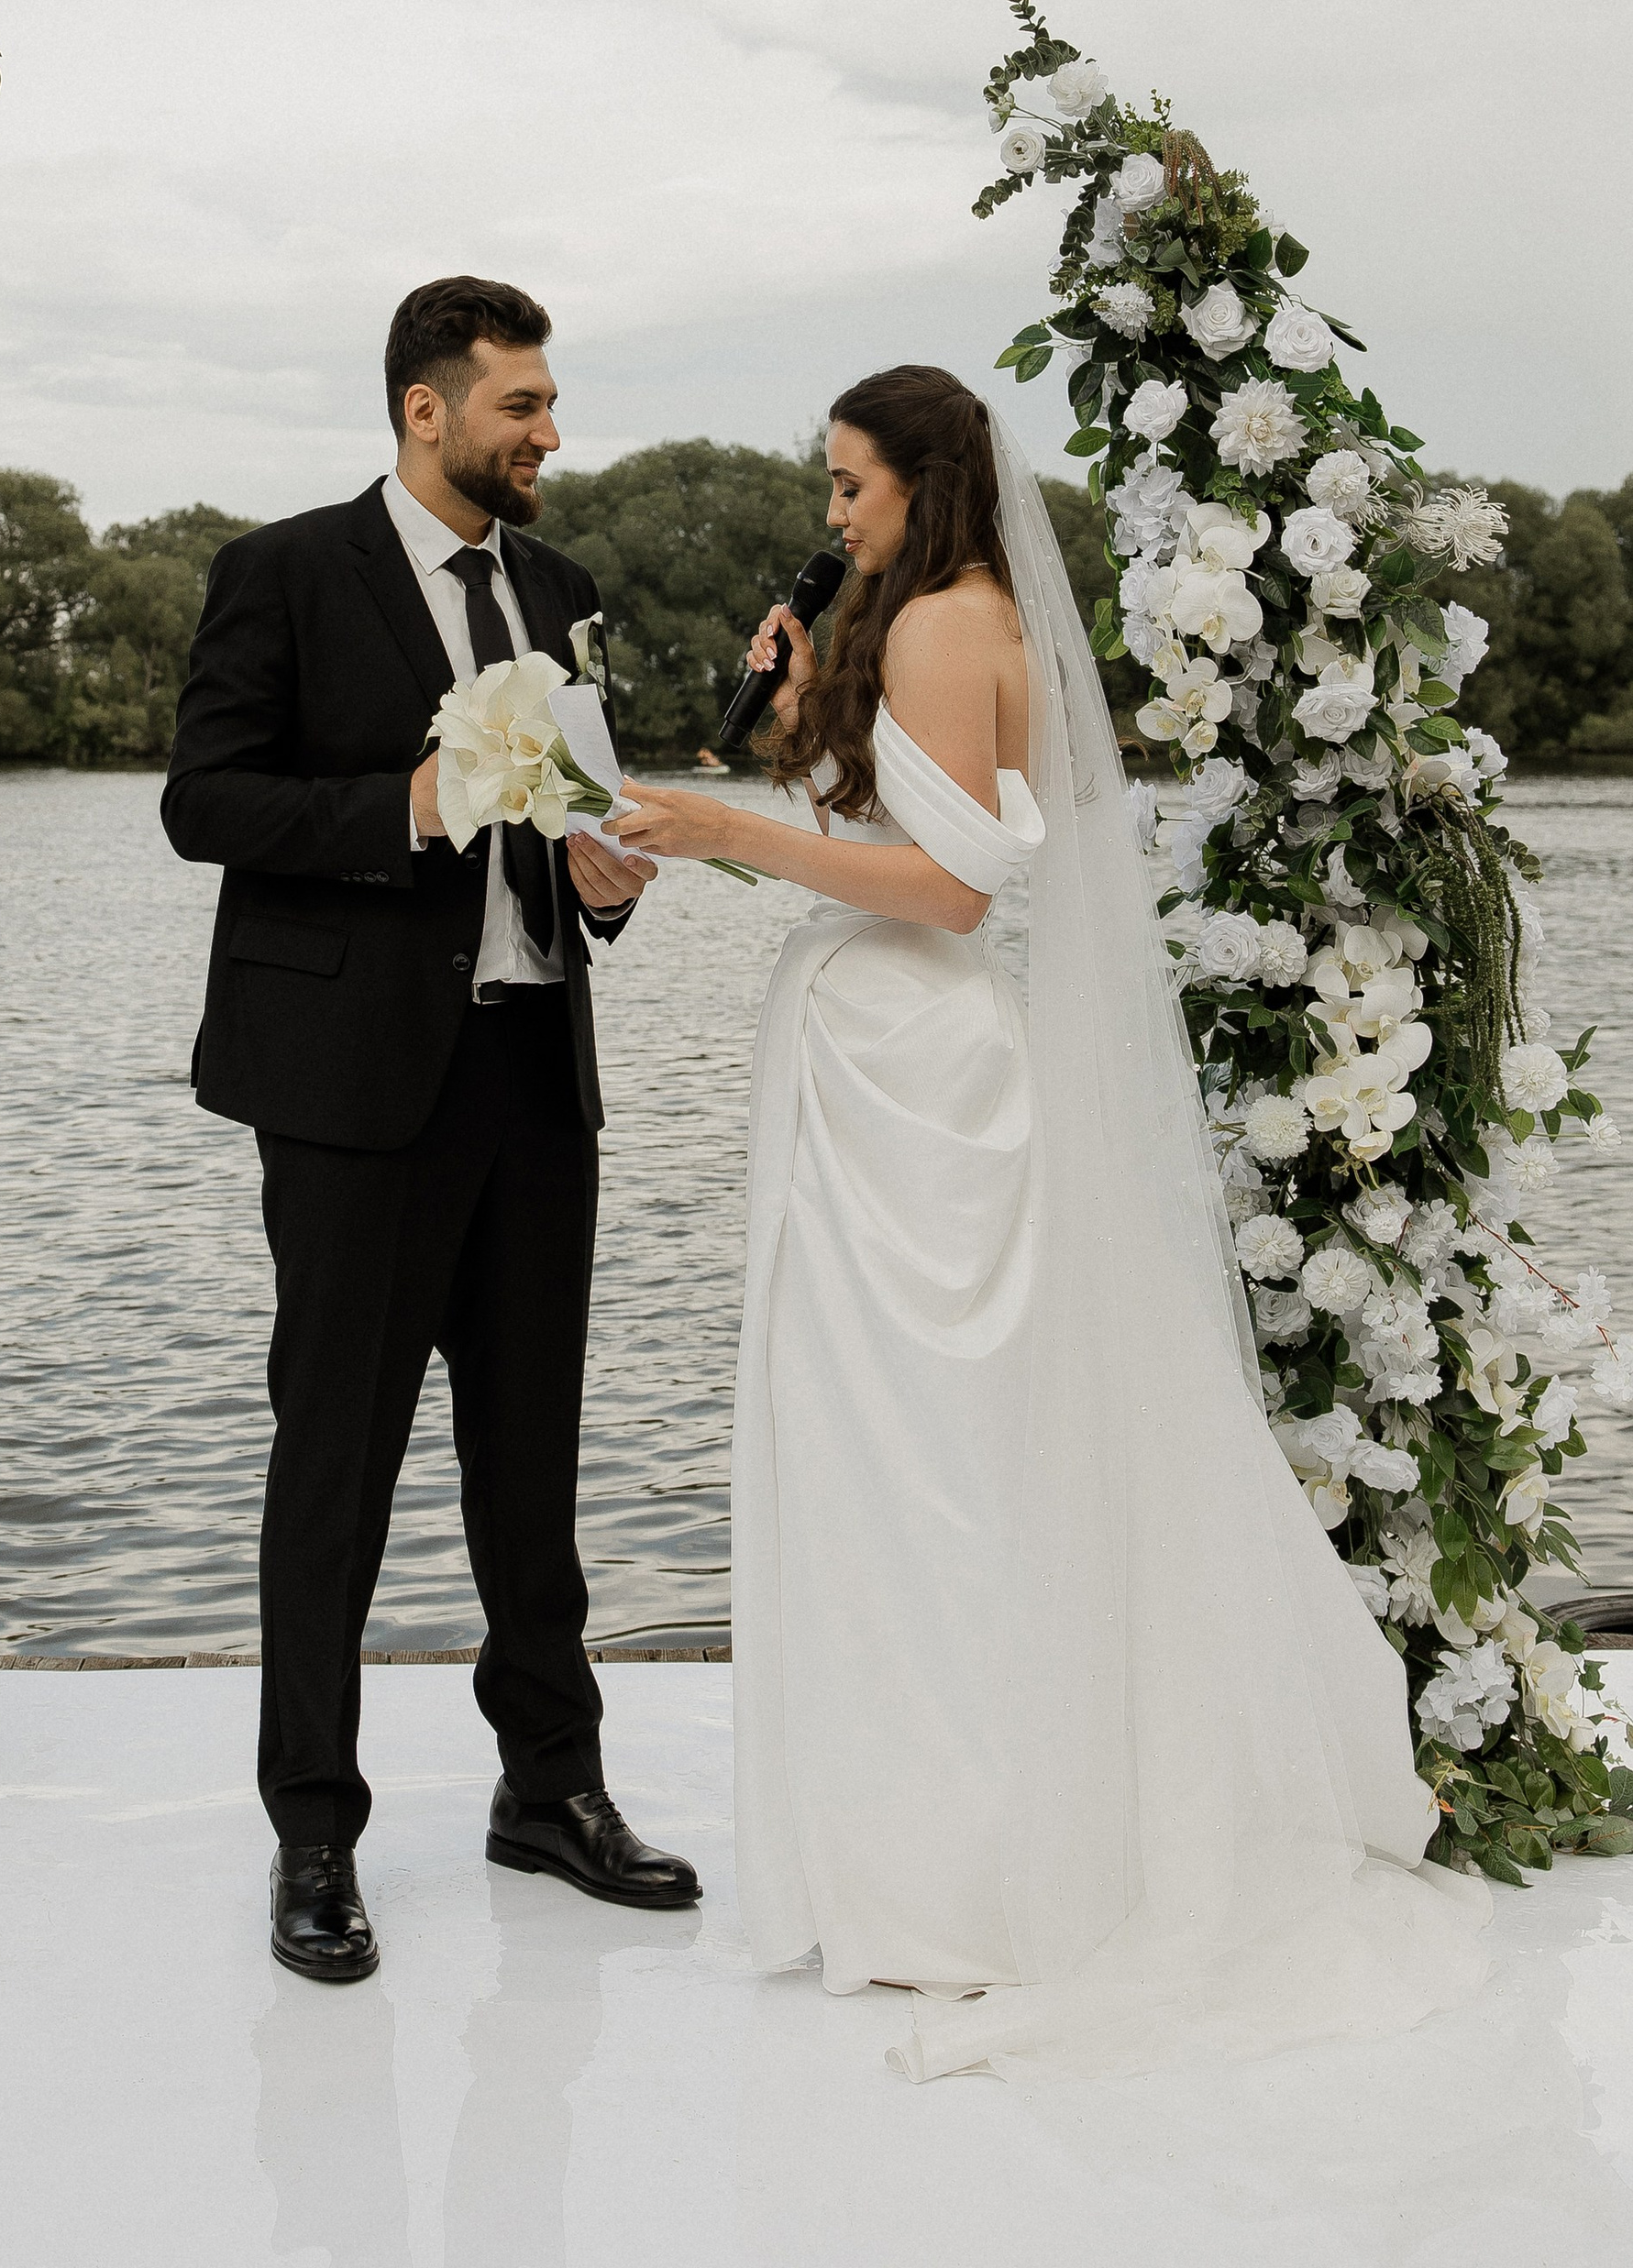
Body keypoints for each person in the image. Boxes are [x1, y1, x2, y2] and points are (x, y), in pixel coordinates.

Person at [605, 364, 1486, 2082]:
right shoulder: (940, 618)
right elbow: (906, 816)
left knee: (916, 1457)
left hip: (911, 1067)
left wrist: (725, 828)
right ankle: (953, 1840)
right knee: (914, 1451)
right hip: (904, 1054)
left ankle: (957, 1877)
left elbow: (946, 888)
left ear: (925, 485)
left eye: (851, 484)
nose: (831, 513)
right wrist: (791, 722)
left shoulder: (942, 623)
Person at [161, 276, 697, 1987]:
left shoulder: (560, 586)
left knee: (530, 1462)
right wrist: (403, 803)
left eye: (548, 404)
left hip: (540, 1077)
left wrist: (603, 875)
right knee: (336, 1469)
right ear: (426, 410)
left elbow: (570, 811)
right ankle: (313, 1833)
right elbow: (206, 798)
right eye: (522, 405)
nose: (548, 434)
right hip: (352, 1096)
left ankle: (552, 1787)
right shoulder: (287, 571)